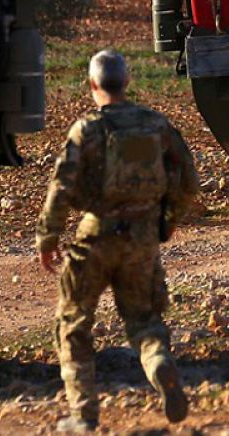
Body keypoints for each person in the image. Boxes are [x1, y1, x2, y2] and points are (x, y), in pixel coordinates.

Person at [36, 49, 199, 432]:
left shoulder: (87, 129)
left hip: (95, 235)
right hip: (142, 238)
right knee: (144, 319)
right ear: (127, 82)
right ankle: (159, 364)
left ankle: (84, 415)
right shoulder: (156, 126)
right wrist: (166, 222)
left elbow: (61, 187)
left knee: (73, 324)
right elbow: (189, 182)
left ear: (92, 85)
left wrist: (48, 237)